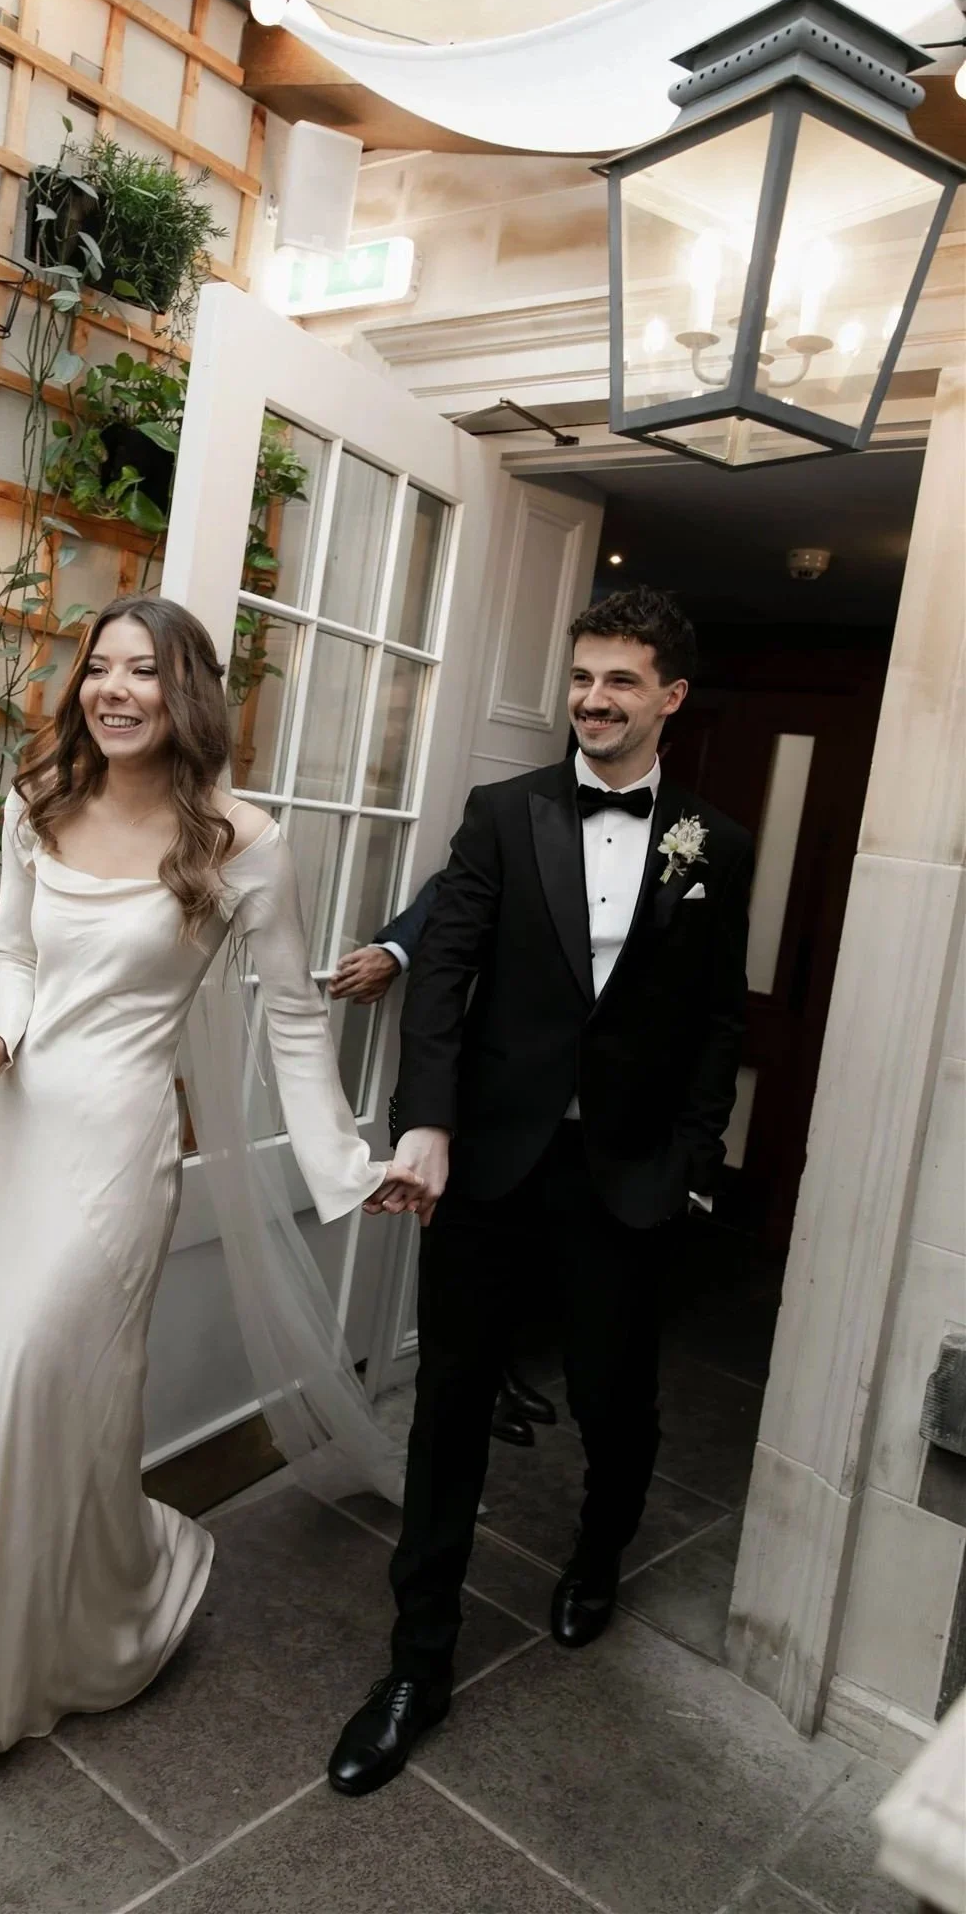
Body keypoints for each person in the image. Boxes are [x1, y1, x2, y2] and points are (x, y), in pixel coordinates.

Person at [0, 595, 429, 1819]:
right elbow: (10, 946)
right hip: (18, 1134)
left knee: (28, 1409)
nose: (115, 689)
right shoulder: (38, 799)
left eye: (144, 672)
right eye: (100, 668)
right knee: (22, 1400)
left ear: (188, 692)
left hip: (117, 1151)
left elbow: (287, 1012)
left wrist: (341, 1160)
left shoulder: (243, 838)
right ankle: (134, 1574)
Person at [327, 586, 753, 1798]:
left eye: (621, 680)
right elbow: (444, 970)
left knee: (619, 1398)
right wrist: (427, 1126)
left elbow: (717, 1019)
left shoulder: (718, 843)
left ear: (671, 695)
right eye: (582, 677)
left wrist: (692, 1156)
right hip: (489, 1164)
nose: (594, 699)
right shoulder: (504, 815)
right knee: (449, 1406)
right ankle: (417, 1664)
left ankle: (600, 1553)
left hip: (626, 1176)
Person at [329, 885, 558, 1449]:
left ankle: (497, 1373)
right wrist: (395, 951)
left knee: (522, 1248)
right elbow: (452, 884)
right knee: (460, 1256)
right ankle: (468, 1393)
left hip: (553, 1088)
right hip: (468, 1083)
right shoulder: (511, 816)